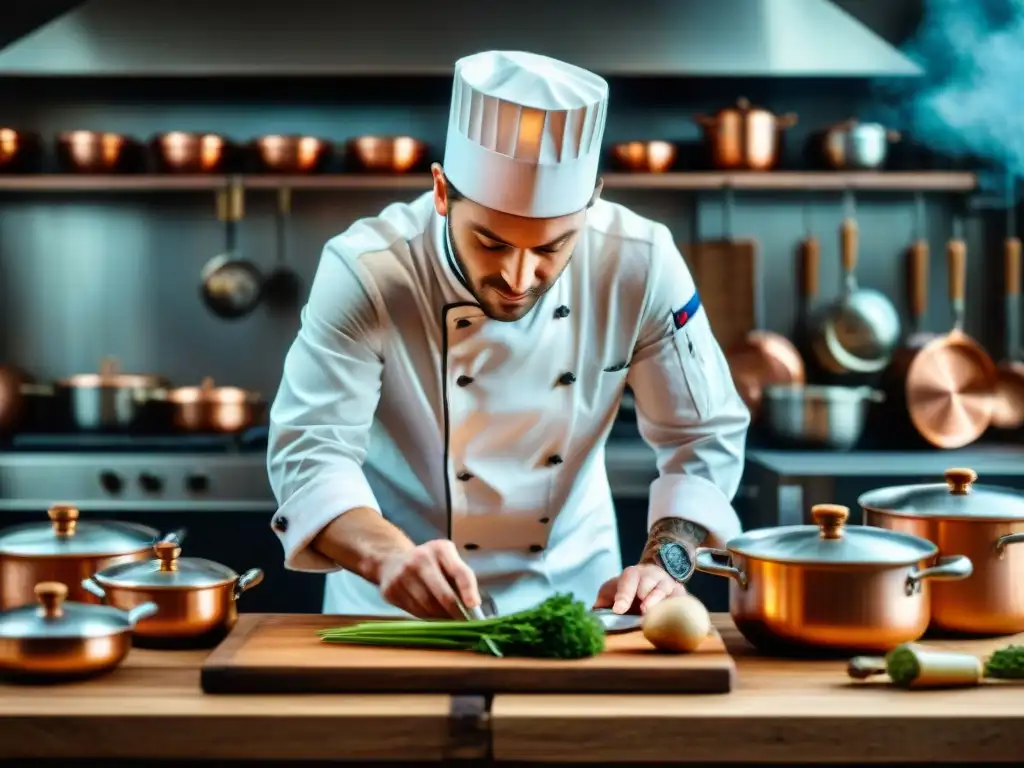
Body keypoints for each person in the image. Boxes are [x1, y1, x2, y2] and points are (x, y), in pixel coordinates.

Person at [266, 50, 750, 620]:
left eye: (550, 248)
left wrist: (666, 561)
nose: (519, 279)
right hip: (395, 607)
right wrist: (389, 557)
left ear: (591, 202)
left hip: (582, 602)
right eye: (492, 243)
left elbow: (703, 437)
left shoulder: (641, 263)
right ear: (443, 193)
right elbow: (310, 449)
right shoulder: (368, 269)